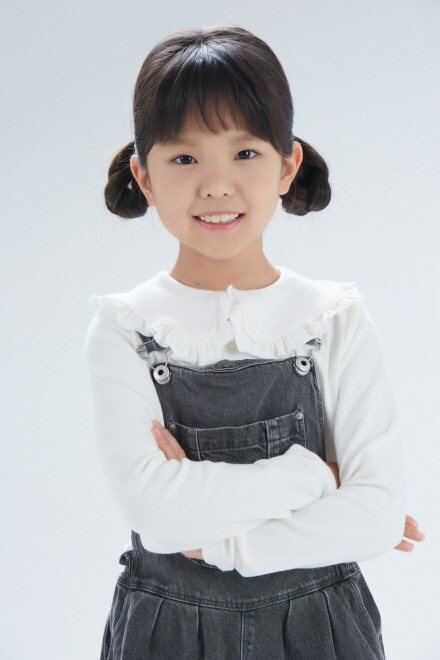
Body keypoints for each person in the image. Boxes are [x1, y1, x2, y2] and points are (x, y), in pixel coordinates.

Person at [85, 24, 426, 660]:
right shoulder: (125, 327)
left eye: (245, 152)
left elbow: (376, 516)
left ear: (286, 165)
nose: (217, 184)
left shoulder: (333, 319)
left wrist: (217, 542)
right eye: (185, 158)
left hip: (323, 631)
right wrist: (316, 477)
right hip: (165, 634)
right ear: (145, 176)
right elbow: (156, 514)